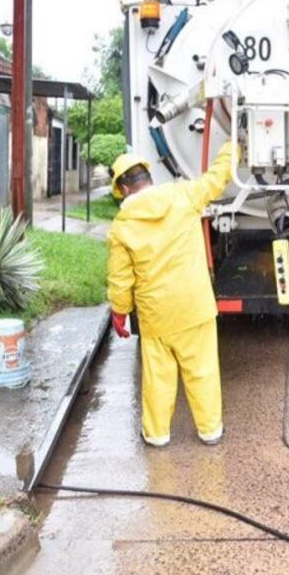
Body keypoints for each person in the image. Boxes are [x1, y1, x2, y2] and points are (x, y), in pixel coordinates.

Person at [107, 141, 237, 447]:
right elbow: (217, 178)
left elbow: (121, 278)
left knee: (158, 378)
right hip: (195, 306)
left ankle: (157, 435)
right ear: (149, 178)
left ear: (123, 189)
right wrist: (233, 146)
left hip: (157, 314)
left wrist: (120, 311)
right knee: (202, 371)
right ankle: (210, 430)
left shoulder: (121, 228)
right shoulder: (183, 196)